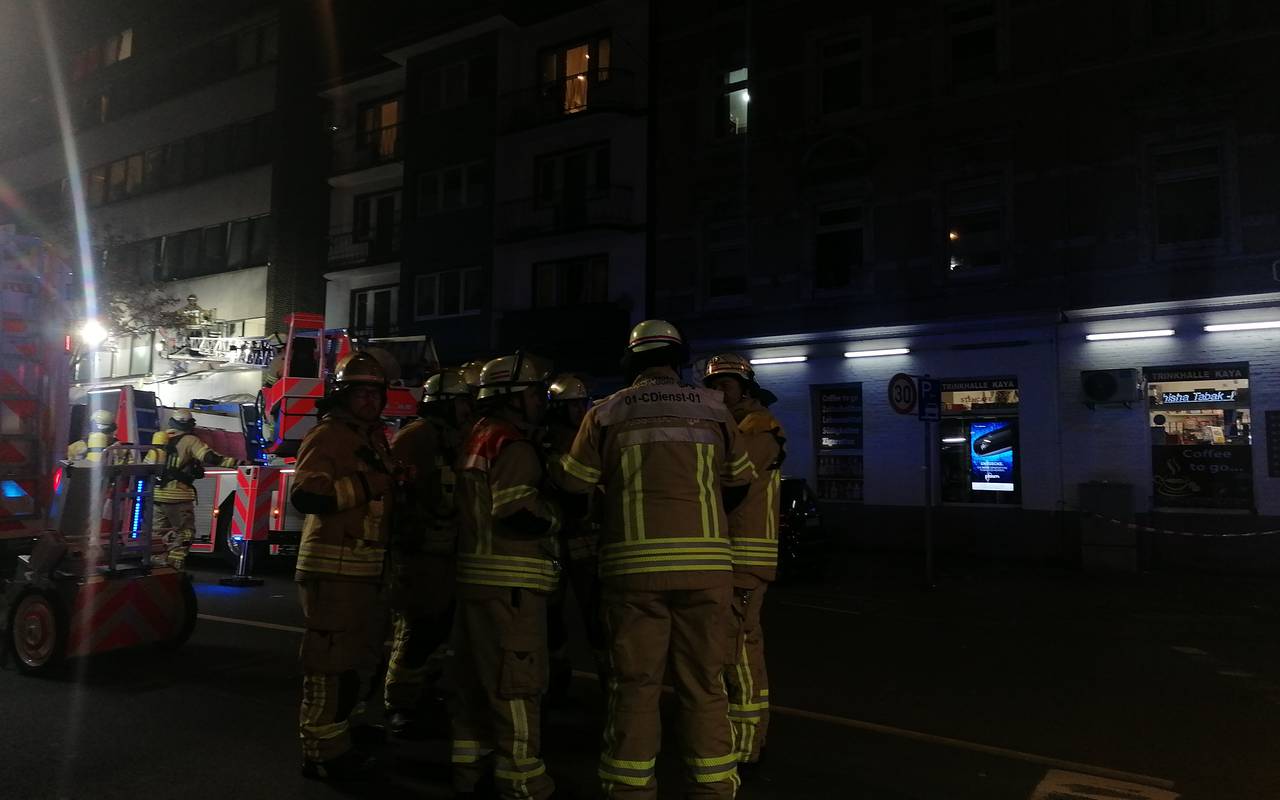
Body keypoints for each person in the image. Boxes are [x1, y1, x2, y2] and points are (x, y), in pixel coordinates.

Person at [554, 320, 755, 799]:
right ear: (678, 358)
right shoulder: (714, 409)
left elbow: (572, 486)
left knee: (636, 686)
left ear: (632, 362)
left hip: (632, 573)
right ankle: (713, 789)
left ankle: (629, 790)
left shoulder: (607, 412)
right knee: (705, 686)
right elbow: (741, 481)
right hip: (707, 572)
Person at [450, 353, 562, 800]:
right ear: (514, 398)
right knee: (517, 684)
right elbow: (516, 512)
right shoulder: (511, 443)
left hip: (476, 577)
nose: (539, 401)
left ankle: (469, 771)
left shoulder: (476, 437)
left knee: (474, 683)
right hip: (511, 582)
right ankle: (522, 780)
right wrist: (557, 517)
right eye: (534, 393)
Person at [290, 351, 397, 783]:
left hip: (363, 569)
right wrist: (372, 482)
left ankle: (342, 734)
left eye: (376, 392)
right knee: (328, 664)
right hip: (333, 568)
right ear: (343, 395)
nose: (370, 401)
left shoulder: (371, 438)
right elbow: (309, 496)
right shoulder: (329, 435)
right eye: (361, 392)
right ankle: (321, 752)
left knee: (355, 660)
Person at [702, 353, 787, 770]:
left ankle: (749, 744)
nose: (719, 392)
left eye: (727, 385)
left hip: (745, 554)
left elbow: (726, 483)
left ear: (745, 388)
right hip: (731, 553)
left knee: (739, 650)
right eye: (714, 386)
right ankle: (743, 736)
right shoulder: (733, 425)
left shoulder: (757, 428)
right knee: (736, 646)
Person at [383, 367, 473, 739]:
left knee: (438, 627)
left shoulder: (454, 438)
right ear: (446, 404)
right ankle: (400, 702)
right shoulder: (416, 438)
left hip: (446, 553)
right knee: (417, 628)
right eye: (462, 402)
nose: (468, 409)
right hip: (418, 553)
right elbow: (399, 493)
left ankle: (424, 690)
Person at [541, 374, 607, 705]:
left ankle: (608, 681)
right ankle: (556, 678)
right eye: (573, 405)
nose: (581, 410)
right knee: (551, 618)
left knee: (598, 617)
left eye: (583, 404)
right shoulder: (549, 442)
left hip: (584, 541)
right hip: (557, 539)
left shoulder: (588, 437)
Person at [151, 408, 238, 570]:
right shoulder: (190, 440)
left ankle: (157, 565)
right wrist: (236, 463)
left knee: (158, 533)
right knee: (185, 533)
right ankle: (175, 567)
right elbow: (209, 457)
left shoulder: (161, 439)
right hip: (178, 496)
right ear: (190, 424)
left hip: (156, 496)